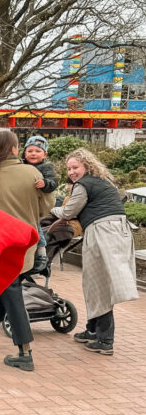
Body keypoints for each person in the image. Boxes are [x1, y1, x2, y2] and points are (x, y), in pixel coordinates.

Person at [0, 130, 55, 370]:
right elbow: (45, 209)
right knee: (8, 287)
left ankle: (25, 351)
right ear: (15, 149)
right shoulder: (32, 174)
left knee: (9, 289)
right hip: (24, 247)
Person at [49, 148, 138, 354]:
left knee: (99, 284)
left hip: (102, 232)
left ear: (86, 166)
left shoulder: (83, 184)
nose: (71, 172)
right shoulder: (104, 182)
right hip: (119, 231)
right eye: (69, 168)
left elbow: (70, 211)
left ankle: (105, 340)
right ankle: (92, 329)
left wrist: (53, 209)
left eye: (75, 167)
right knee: (95, 282)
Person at [22, 135, 59, 271]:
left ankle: (42, 251)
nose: (33, 154)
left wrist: (45, 184)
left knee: (35, 226)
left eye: (37, 151)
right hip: (24, 202)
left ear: (44, 154)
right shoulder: (21, 166)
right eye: (30, 151)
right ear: (24, 153)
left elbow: (54, 182)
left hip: (36, 204)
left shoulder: (45, 167)